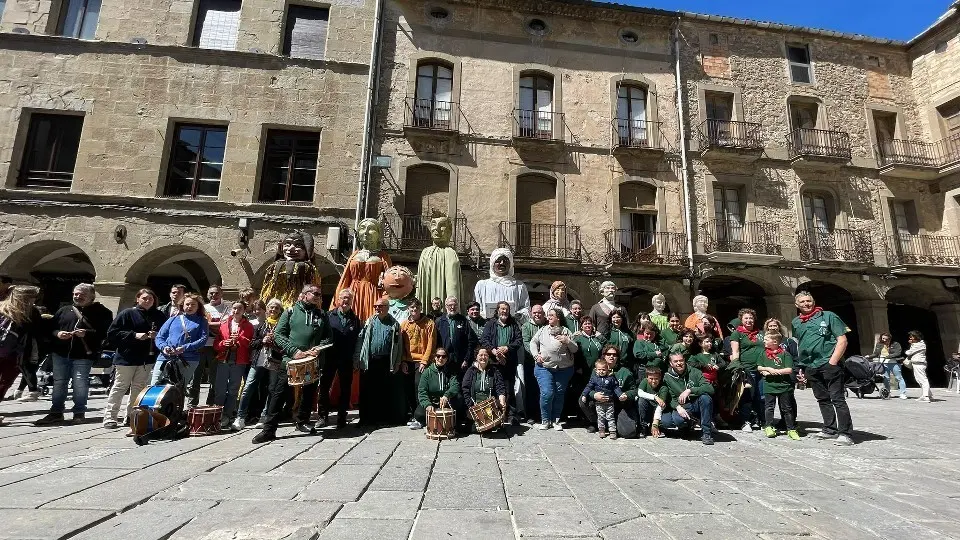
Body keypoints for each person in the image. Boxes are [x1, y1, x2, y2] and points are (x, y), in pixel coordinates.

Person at [252, 284, 332, 443]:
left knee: (309, 393)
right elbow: (279, 335)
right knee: (279, 393)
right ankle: (269, 429)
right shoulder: (290, 312)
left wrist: (318, 349)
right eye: (314, 293)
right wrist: (294, 351)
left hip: (312, 361)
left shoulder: (322, 315)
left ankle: (302, 421)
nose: (317, 296)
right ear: (304, 295)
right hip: (290, 361)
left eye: (319, 294)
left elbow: (328, 337)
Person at [36, 284, 113, 425]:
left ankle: (79, 412)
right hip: (60, 352)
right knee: (59, 383)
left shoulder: (103, 312)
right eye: (75, 294)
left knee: (80, 383)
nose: (77, 297)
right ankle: (56, 412)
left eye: (82, 294)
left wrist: (87, 334)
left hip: (83, 354)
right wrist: (57, 333)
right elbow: (51, 328)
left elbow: (106, 334)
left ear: (91, 296)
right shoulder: (64, 310)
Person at [791, 291, 853, 446]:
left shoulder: (828, 316)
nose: (806, 304)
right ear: (797, 305)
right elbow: (801, 343)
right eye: (802, 302)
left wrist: (833, 362)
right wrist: (801, 366)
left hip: (829, 362)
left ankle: (845, 433)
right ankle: (829, 429)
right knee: (822, 399)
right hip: (810, 365)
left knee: (838, 399)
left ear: (813, 301)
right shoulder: (796, 322)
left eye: (809, 300)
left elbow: (842, 340)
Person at [102, 288, 166, 431]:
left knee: (139, 388)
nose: (148, 301)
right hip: (126, 357)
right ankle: (110, 417)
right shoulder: (127, 313)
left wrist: (157, 336)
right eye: (144, 298)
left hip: (146, 358)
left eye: (151, 298)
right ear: (137, 299)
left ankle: (131, 416)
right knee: (120, 387)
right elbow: (112, 333)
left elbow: (165, 333)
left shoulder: (159, 315)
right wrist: (134, 335)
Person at [355, 296, 406, 427]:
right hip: (370, 360)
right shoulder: (370, 321)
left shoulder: (394, 324)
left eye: (380, 306)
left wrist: (398, 362)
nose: (377, 308)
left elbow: (399, 345)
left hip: (386, 361)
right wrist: (358, 359)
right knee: (368, 391)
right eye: (375, 306)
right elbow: (361, 340)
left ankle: (384, 418)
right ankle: (366, 418)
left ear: (387, 308)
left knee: (385, 390)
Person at [234, 299, 282, 430]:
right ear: (267, 310)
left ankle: (264, 416)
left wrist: (275, 342)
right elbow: (252, 343)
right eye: (271, 308)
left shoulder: (282, 326)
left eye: (276, 308)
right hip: (259, 360)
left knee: (272, 388)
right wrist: (263, 340)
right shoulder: (261, 325)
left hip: (275, 361)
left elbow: (285, 343)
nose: (273, 310)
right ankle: (240, 417)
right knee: (248, 387)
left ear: (280, 311)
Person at [530, 307, 579, 430]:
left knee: (559, 394)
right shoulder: (542, 330)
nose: (548, 317)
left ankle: (555, 421)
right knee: (547, 393)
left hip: (564, 369)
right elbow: (532, 343)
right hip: (544, 368)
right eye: (548, 315)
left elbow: (575, 349)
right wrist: (536, 355)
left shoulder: (566, 331)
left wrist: (567, 341)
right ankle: (545, 420)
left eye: (551, 315)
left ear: (558, 317)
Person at [319, 289, 361, 429]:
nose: (345, 301)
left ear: (351, 301)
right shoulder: (328, 316)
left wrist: (356, 360)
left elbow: (357, 342)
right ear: (337, 300)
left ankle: (341, 417)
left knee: (345, 389)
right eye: (343, 298)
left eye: (348, 298)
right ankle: (322, 416)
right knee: (324, 387)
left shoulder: (355, 320)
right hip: (329, 358)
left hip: (346, 359)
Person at [149, 293, 209, 387]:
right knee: (155, 385)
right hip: (165, 357)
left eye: (193, 304)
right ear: (182, 305)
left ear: (198, 307)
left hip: (188, 360)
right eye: (187, 304)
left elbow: (203, 339)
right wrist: (164, 347)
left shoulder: (202, 321)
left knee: (178, 389)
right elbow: (160, 337)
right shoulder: (172, 319)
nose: (190, 307)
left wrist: (184, 348)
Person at [212, 301, 255, 430]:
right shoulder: (224, 324)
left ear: (244, 310)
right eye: (234, 308)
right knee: (220, 389)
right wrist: (224, 343)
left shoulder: (249, 326)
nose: (236, 311)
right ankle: (217, 414)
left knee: (233, 390)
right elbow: (216, 344)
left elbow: (251, 343)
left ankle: (228, 415)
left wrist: (239, 340)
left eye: (239, 309)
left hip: (239, 361)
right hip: (224, 359)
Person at [480, 301, 523, 424]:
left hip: (509, 362)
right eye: (502, 309)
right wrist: (494, 351)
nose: (504, 311)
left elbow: (519, 340)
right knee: (494, 388)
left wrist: (507, 348)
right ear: (497, 310)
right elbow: (484, 339)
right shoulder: (491, 324)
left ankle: (511, 415)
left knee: (509, 389)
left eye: (506, 309)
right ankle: (495, 414)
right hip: (494, 362)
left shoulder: (514, 324)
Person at [0, 286, 42, 414]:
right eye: (33, 297)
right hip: (15, 354)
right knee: (4, 382)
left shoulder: (2, 308)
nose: (34, 300)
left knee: (4, 382)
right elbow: (38, 332)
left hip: (9, 352)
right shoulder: (30, 313)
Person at [658, 352, 715, 445]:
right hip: (682, 405)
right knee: (676, 421)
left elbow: (710, 389)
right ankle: (686, 427)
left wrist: (690, 390)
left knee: (706, 398)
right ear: (671, 363)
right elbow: (669, 397)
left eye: (681, 360)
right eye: (675, 361)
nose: (679, 363)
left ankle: (706, 433)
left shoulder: (695, 372)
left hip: (696, 403)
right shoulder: (667, 377)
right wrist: (677, 407)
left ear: (684, 360)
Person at [189, 285, 227, 408]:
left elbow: (226, 325)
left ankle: (211, 402)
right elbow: (201, 323)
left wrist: (210, 324)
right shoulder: (203, 308)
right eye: (211, 293)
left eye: (216, 293)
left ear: (221, 294)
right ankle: (192, 403)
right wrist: (216, 324)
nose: (213, 296)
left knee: (214, 377)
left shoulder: (227, 308)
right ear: (207, 295)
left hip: (217, 346)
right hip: (201, 345)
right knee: (196, 375)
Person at [758, 332, 800, 440]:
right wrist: (767, 369)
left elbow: (789, 369)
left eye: (766, 339)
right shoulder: (763, 354)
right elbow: (759, 367)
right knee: (769, 407)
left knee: (787, 408)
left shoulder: (785, 354)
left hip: (784, 386)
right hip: (769, 385)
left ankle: (791, 429)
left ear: (775, 342)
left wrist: (775, 371)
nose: (764, 341)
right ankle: (769, 426)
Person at [401, 299, 436, 423]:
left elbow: (431, 344)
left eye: (416, 308)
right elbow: (401, 345)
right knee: (408, 387)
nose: (414, 310)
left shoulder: (429, 323)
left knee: (418, 386)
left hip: (422, 361)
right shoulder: (404, 324)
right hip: (408, 361)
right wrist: (403, 361)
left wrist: (424, 361)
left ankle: (420, 416)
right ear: (408, 309)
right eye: (411, 308)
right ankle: (413, 413)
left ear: (420, 309)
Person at [730, 308, 764, 432]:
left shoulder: (760, 333)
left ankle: (763, 420)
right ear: (741, 320)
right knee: (747, 396)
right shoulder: (737, 334)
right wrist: (738, 368)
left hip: (762, 369)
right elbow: (735, 352)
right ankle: (745, 421)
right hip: (747, 369)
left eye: (751, 318)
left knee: (761, 396)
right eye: (746, 318)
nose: (749, 320)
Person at [474, 248, 531, 320]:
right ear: (492, 264)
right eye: (498, 261)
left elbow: (526, 308)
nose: (502, 263)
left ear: (510, 264)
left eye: (505, 260)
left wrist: (516, 316)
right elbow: (476, 308)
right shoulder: (482, 285)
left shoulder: (519, 286)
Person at [413, 346, 460, 429]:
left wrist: (447, 395)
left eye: (443, 356)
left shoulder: (450, 371)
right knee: (419, 414)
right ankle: (426, 421)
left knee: (459, 401)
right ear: (435, 357)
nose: (440, 358)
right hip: (432, 402)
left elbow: (455, 386)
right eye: (438, 356)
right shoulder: (427, 372)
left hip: (446, 402)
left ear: (447, 359)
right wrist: (427, 404)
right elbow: (422, 391)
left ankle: (451, 423)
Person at [461, 348, 508, 430]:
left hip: (490, 407)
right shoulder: (470, 371)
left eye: (486, 355)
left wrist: (502, 399)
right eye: (481, 355)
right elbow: (465, 390)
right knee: (474, 429)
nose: (483, 357)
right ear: (476, 357)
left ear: (489, 357)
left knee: (491, 427)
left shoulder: (494, 371)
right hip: (474, 406)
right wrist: (470, 407)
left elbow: (500, 386)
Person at [581, 358, 626, 439]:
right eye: (599, 369)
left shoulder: (611, 378)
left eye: (603, 370)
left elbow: (616, 387)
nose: (601, 371)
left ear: (607, 369)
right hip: (599, 403)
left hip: (609, 402)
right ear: (595, 370)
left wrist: (620, 395)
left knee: (610, 417)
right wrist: (584, 395)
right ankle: (601, 430)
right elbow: (589, 387)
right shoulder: (594, 379)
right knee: (601, 417)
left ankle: (612, 431)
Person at [435, 296, 478, 378]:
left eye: (455, 305)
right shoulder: (439, 321)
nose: (452, 307)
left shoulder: (463, 320)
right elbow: (435, 342)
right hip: (443, 359)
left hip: (460, 360)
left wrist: (466, 359)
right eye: (450, 305)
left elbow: (470, 341)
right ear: (445, 306)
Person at [519, 304, 547, 423]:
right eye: (535, 312)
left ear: (543, 313)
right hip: (531, 362)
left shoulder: (547, 325)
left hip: (546, 362)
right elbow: (526, 343)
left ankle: (543, 414)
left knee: (545, 389)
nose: (537, 314)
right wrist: (536, 356)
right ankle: (531, 414)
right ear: (531, 313)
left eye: (539, 312)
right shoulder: (526, 326)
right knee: (532, 389)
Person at [868, 332, 906, 400]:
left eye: (886, 339)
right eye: (883, 338)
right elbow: (876, 354)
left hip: (894, 363)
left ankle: (902, 393)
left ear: (890, 339)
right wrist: (869, 356)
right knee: (886, 378)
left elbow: (898, 352)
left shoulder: (895, 344)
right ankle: (887, 393)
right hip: (883, 363)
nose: (884, 340)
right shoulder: (879, 344)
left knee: (898, 378)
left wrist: (889, 356)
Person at [636, 366, 668, 438]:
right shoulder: (644, 382)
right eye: (651, 378)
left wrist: (655, 423)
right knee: (641, 400)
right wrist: (655, 397)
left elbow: (661, 406)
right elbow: (640, 393)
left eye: (656, 379)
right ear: (647, 378)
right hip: (646, 409)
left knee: (661, 409)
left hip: (657, 411)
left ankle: (656, 427)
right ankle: (643, 427)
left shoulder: (663, 387)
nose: (654, 381)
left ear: (660, 378)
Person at [905, 330, 932, 402]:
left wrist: (911, 345)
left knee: (923, 379)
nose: (910, 338)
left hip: (919, 363)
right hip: (917, 363)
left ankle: (926, 396)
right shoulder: (916, 344)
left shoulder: (920, 344)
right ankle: (928, 395)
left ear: (916, 337)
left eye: (912, 336)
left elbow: (908, 352)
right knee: (919, 379)